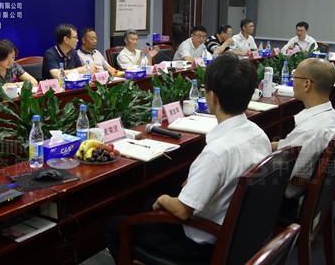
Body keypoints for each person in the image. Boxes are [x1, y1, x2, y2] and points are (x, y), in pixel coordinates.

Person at [105, 53, 271, 262]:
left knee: (116, 226)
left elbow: (182, 211)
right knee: (150, 202)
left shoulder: (217, 152)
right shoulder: (259, 135)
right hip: (240, 235)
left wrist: (164, 199)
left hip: (201, 244)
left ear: (212, 97)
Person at [272, 58, 335, 197]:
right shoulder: (332, 116)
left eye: (294, 77)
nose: (293, 81)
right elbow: (289, 147)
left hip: (281, 194)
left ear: (307, 84)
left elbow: (279, 170)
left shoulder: (309, 131)